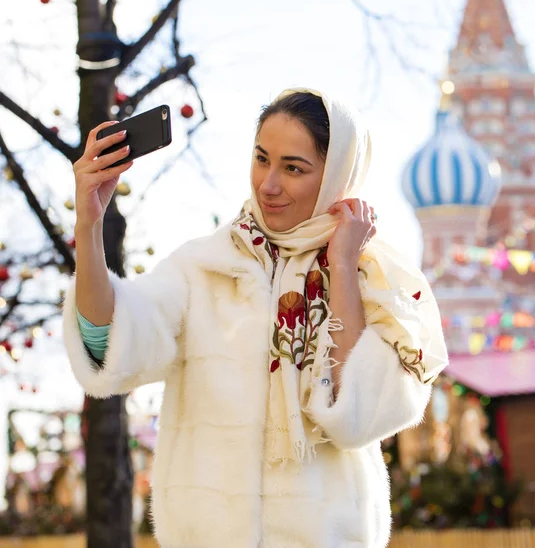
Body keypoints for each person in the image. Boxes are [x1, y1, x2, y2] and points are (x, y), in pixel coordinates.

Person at [62, 87, 448, 547]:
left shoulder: (381, 283)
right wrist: (88, 226)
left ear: (336, 177)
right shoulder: (203, 267)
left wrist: (341, 267)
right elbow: (108, 343)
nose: (268, 183)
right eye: (262, 158)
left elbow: (360, 418)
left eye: (293, 168)